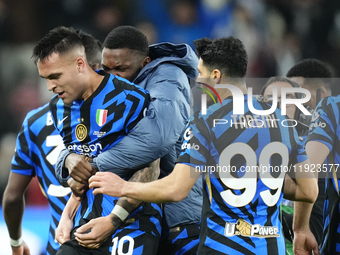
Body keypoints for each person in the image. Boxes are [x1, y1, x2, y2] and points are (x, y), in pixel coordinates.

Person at [87, 36, 319, 255]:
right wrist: (299, 228)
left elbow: (176, 189)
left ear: (216, 76)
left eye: (200, 73)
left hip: (223, 247)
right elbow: (309, 191)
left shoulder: (206, 122)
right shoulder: (282, 120)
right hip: (271, 247)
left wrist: (123, 187)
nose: (197, 81)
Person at [55, 26, 202, 255]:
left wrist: (92, 166)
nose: (112, 77)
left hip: (177, 218)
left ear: (144, 63)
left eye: (121, 69)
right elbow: (86, 140)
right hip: (128, 213)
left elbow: (156, 139)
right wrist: (68, 159)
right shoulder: (111, 90)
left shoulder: (169, 77)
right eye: (106, 69)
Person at [32, 26, 159, 255]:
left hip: (132, 225)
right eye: (45, 79)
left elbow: (151, 167)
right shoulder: (59, 107)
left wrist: (113, 220)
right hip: (87, 227)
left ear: (80, 64)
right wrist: (67, 215)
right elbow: (85, 168)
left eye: (55, 76)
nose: (50, 87)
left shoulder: (131, 99)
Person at [2, 29, 102, 255]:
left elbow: (12, 197)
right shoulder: (120, 113)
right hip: (113, 243)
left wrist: (16, 243)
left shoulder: (34, 121)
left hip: (59, 246)